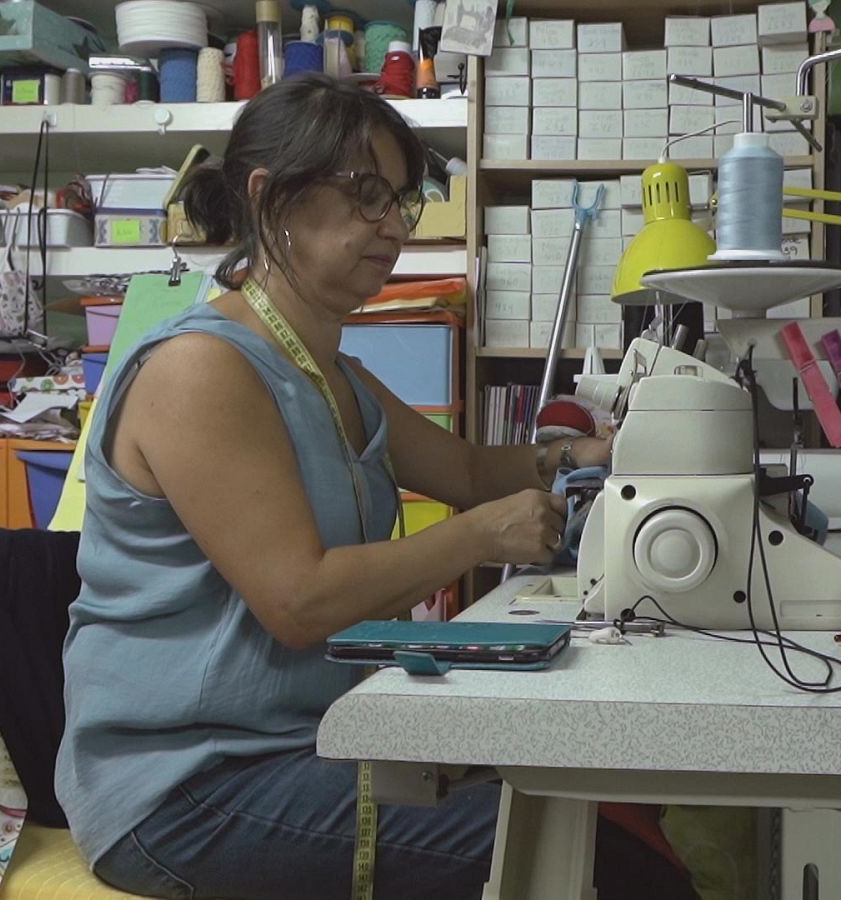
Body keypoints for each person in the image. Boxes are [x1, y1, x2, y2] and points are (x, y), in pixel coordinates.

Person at [56, 74, 694, 900]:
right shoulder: (199, 370)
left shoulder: (336, 375)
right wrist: (479, 537)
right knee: (593, 857)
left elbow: (466, 472)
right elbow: (301, 603)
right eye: (366, 195)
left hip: (310, 740)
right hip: (189, 787)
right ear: (268, 196)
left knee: (607, 801)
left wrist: (601, 451)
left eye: (400, 201)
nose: (392, 226)